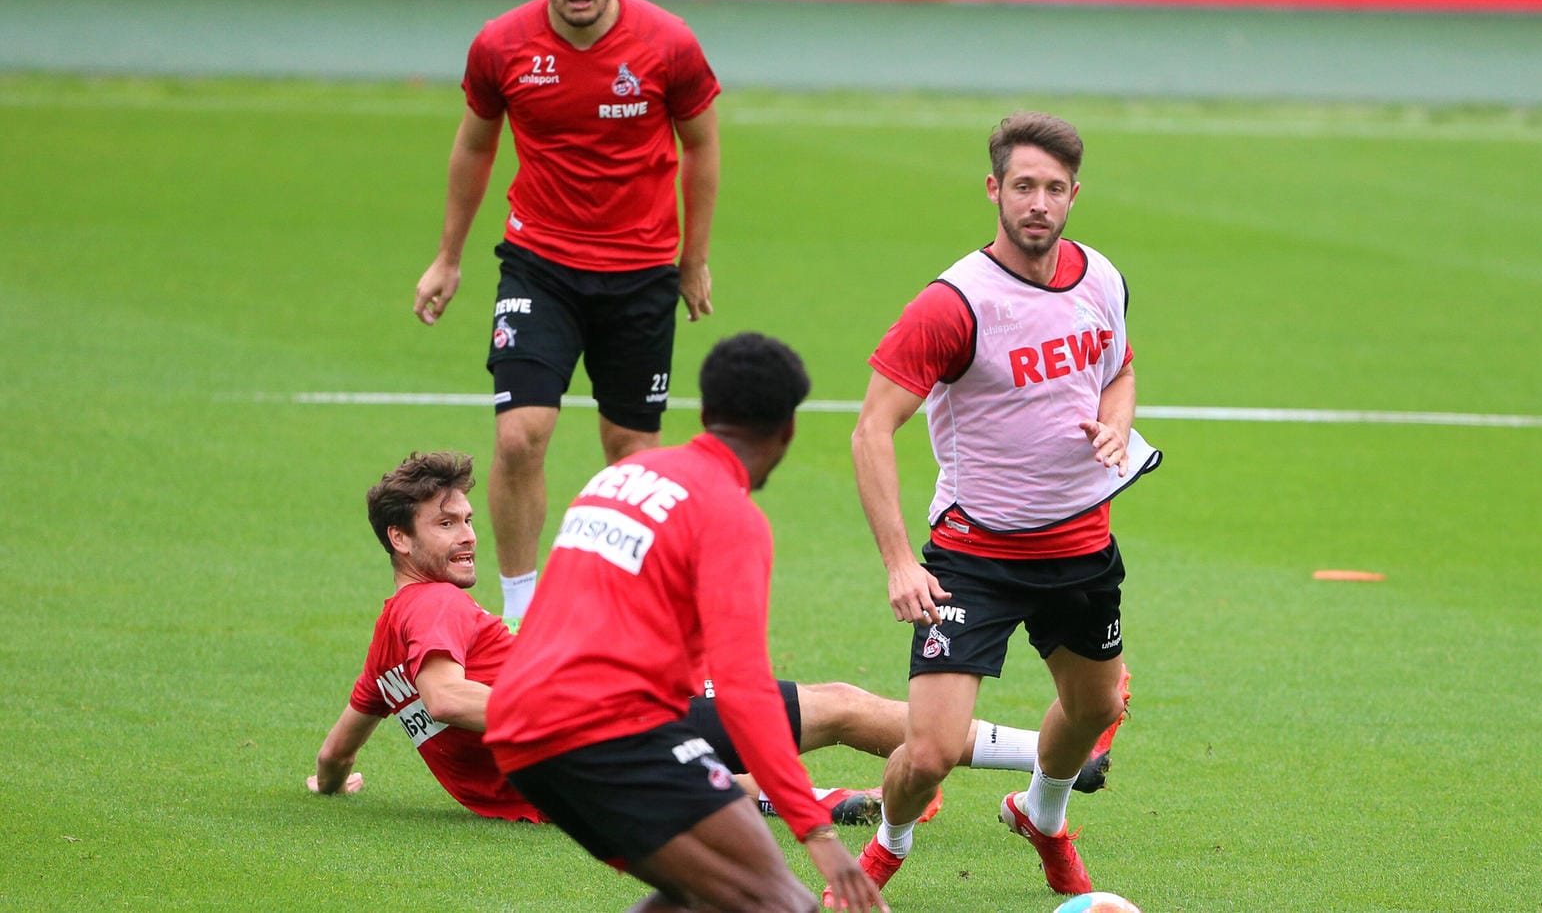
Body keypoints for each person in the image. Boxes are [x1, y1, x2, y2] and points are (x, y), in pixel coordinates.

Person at [307, 452, 1109, 828]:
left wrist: (330, 780)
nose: (469, 535)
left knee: (746, 730)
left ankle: (768, 794)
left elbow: (350, 734)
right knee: (834, 706)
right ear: (398, 541)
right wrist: (580, 710)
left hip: (575, 777)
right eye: (445, 524)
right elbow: (448, 699)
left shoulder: (391, 637)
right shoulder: (431, 612)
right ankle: (1047, 757)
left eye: (468, 519)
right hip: (610, 727)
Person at [846, 112, 1159, 899]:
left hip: (1082, 548)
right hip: (974, 558)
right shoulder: (955, 303)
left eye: (1055, 189)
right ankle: (886, 849)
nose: (1039, 204)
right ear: (994, 189)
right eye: (1024, 186)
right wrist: (897, 563)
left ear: (1074, 196)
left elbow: (1120, 371)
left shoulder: (1103, 279)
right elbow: (871, 430)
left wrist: (1117, 425)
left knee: (1095, 712)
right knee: (929, 753)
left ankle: (1041, 816)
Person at [410, 0, 721, 625]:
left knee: (632, 453)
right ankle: (520, 613)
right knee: (521, 435)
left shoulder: (668, 44)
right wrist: (447, 257)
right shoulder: (502, 45)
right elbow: (475, 144)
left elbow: (702, 146)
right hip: (538, 264)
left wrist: (694, 258)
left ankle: (624, 609)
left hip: (641, 272)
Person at [483, 333, 879, 912]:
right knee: (784, 906)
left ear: (704, 412)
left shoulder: (619, 478)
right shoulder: (729, 515)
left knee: (698, 897)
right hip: (602, 729)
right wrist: (816, 831)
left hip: (522, 726)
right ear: (788, 430)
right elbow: (743, 689)